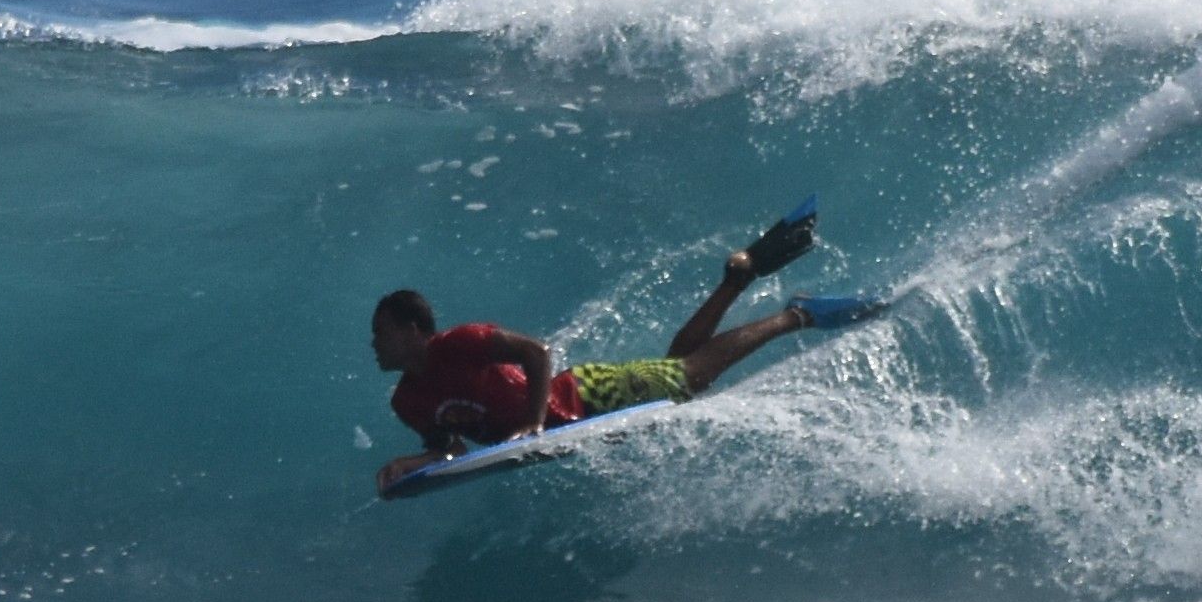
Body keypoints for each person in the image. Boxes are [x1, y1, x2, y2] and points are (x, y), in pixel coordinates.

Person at [373, 202, 884, 489]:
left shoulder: (459, 344)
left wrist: (532, 422)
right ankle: (735, 280)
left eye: (383, 332)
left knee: (689, 378)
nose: (375, 344)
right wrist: (412, 466)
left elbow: (536, 352)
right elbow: (450, 449)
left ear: (414, 329)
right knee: (677, 367)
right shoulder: (408, 402)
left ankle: (798, 314)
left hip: (588, 395)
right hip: (573, 411)